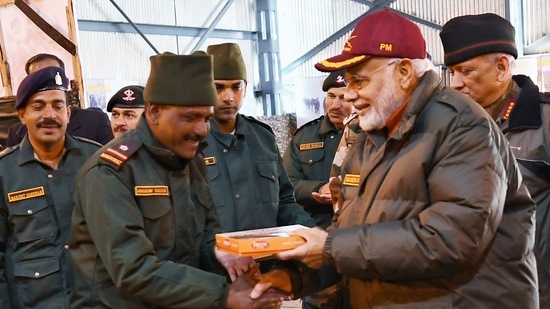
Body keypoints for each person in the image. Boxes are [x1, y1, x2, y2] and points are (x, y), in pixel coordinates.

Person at [252, 9, 539, 308]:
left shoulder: (462, 127)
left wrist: (329, 247)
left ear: (403, 72)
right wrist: (295, 279)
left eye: (359, 81)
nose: (348, 94)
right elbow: (350, 234)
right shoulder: (371, 137)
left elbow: (450, 239)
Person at [69, 51, 288, 308]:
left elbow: (204, 236)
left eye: (206, 118)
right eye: (190, 117)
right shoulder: (110, 171)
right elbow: (133, 269)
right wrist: (223, 295)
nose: (202, 129)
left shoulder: (191, 160)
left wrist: (221, 253)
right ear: (154, 112)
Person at [439, 13, 550, 306]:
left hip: (535, 290)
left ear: (502, 67)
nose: (455, 83)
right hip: (467, 291)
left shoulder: (544, 122)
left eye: (466, 71)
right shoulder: (447, 127)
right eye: (451, 72)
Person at [0, 67, 101, 308]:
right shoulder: (4, 173)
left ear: (68, 113)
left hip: (97, 300)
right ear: (22, 115)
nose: (49, 114)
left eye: (57, 106)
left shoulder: (99, 161)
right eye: (38, 106)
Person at [203, 42, 315, 234]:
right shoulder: (193, 142)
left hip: (267, 259)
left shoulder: (263, 138)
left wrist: (313, 231)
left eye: (236, 87)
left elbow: (285, 202)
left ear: (245, 88)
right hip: (214, 261)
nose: (228, 97)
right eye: (218, 88)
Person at [283, 70, 352, 230]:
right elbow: (287, 183)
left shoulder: (368, 134)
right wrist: (319, 188)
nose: (335, 105)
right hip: (315, 225)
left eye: (343, 97)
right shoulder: (304, 137)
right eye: (331, 96)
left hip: (356, 226)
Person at [6, 53, 113, 147]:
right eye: (39, 77)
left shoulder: (95, 122)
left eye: (53, 73)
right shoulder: (16, 132)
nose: (49, 115)